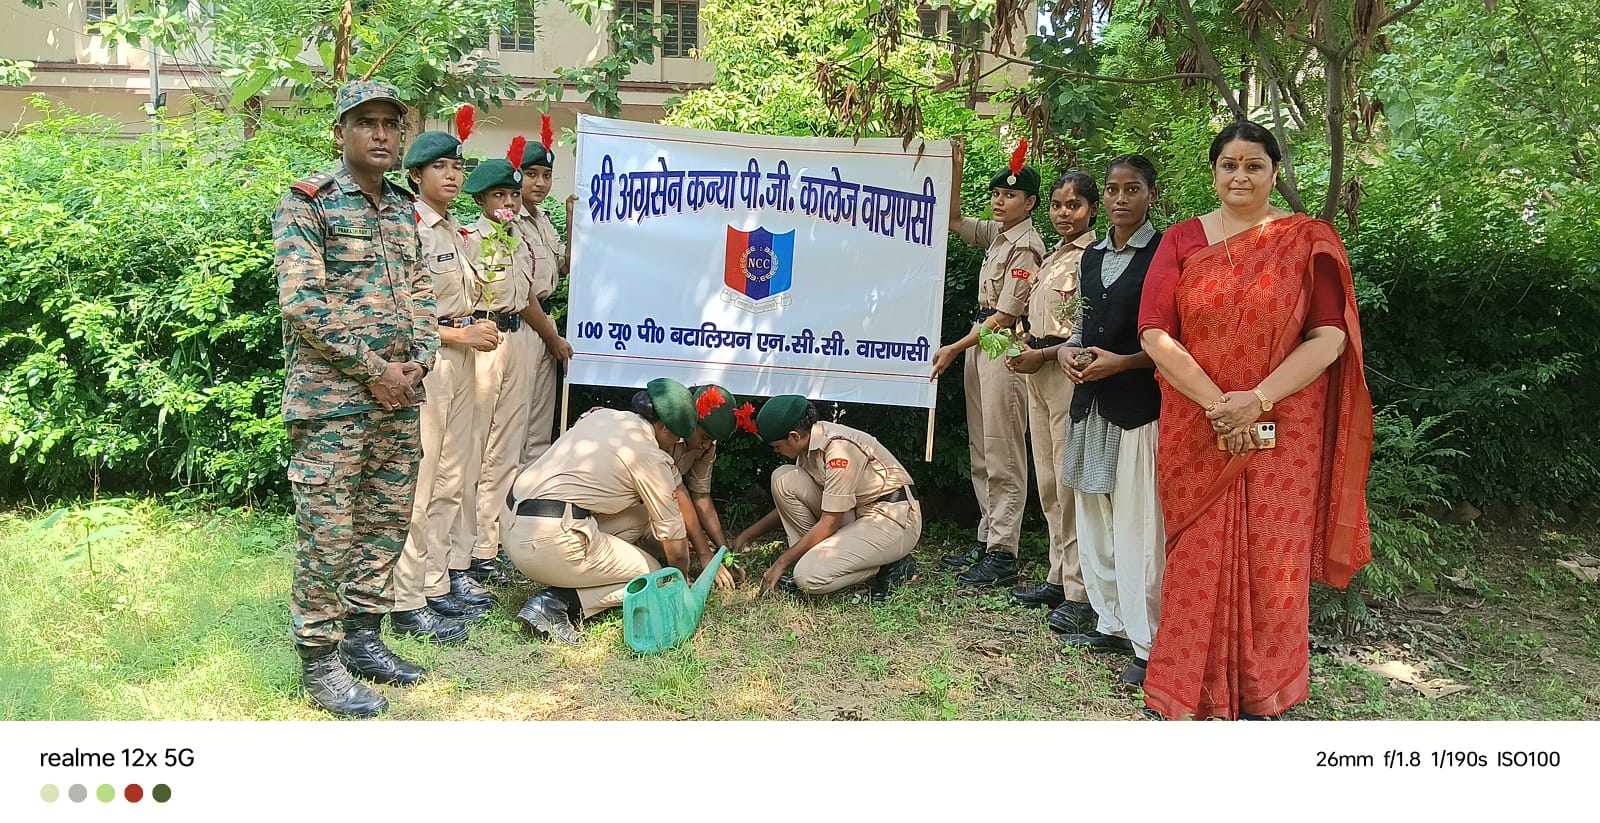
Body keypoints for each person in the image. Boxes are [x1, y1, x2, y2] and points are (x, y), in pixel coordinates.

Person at [1138, 121, 1372, 719]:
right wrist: (1220, 404)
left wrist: (1258, 399)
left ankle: (1263, 689)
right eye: (1229, 165)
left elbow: (1329, 338)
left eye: (1254, 165)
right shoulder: (1182, 240)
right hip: (1198, 423)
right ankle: (1189, 684)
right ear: (1213, 172)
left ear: (1274, 172)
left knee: (1273, 558)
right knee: (1197, 552)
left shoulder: (1306, 239)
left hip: (1283, 429)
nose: (1240, 176)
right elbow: (1155, 332)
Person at [273, 81, 436, 718]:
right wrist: (373, 370)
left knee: (385, 523)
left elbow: (420, 291)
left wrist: (419, 360)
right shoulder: (307, 203)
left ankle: (363, 638)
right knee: (328, 534)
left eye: (390, 124)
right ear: (340, 132)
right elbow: (303, 304)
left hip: (398, 400)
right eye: (366, 122)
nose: (381, 134)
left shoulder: (401, 209)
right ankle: (319, 663)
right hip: (332, 405)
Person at [503, 378, 731, 644]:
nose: (675, 444)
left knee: (640, 516)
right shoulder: (649, 455)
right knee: (654, 575)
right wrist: (678, 583)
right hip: (548, 539)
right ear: (665, 428)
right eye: (676, 437)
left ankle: (581, 571)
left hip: (512, 526)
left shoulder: (606, 417)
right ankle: (554, 603)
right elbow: (676, 547)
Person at [1053, 156, 1167, 687]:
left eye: (1133, 189)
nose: (1122, 199)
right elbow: (1082, 322)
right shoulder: (1093, 255)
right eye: (1115, 189)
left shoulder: (1163, 253)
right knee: (1093, 515)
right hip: (1090, 404)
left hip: (1135, 405)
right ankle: (1111, 622)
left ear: (1151, 195)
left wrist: (1121, 363)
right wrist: (1067, 352)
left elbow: (1171, 339)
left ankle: (1148, 643)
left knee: (1137, 525)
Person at [386, 130, 502, 646]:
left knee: (454, 477)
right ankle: (406, 598)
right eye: (440, 167)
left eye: (457, 167)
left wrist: (469, 332)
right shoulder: (410, 228)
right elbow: (397, 312)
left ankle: (435, 583)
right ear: (415, 175)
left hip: (462, 358)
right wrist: (458, 335)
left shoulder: (453, 229)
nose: (453, 175)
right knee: (424, 478)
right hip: (430, 359)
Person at [930, 139, 1042, 589]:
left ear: (1029, 203)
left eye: (1009, 195)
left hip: (1003, 347)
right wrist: (956, 169)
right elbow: (953, 220)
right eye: (996, 194)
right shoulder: (998, 235)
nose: (999, 201)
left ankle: (1003, 552)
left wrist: (955, 347)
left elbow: (1007, 315)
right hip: (981, 344)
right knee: (982, 449)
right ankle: (987, 536)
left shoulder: (1027, 247)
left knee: (1003, 452)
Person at [1002, 171, 1099, 635]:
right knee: (1046, 480)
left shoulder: (1093, 257)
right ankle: (1057, 577)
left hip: (1066, 372)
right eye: (1058, 205)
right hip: (1036, 370)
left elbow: (1086, 327)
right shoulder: (1054, 255)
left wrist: (1041, 353)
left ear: (1092, 210)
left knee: (1067, 481)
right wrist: (1023, 343)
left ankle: (1080, 592)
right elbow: (1035, 315)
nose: (1064, 213)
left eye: (1074, 205)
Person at [732, 396, 920, 603]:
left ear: (794, 436)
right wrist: (746, 536)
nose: (776, 451)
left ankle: (890, 563)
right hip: (856, 512)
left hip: (891, 517)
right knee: (783, 478)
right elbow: (790, 505)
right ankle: (827, 558)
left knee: (807, 578)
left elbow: (830, 522)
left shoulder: (839, 450)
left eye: (777, 446)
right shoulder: (808, 445)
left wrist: (781, 563)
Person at [459, 153, 537, 611]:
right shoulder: (470, 239)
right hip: (483, 338)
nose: (508, 202)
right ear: (482, 200)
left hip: (516, 337)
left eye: (512, 194)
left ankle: (488, 546)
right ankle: (465, 549)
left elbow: (526, 295)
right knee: (476, 446)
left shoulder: (517, 237)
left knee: (508, 447)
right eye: (498, 195)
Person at [594, 384, 750, 565]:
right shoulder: (660, 433)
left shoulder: (706, 446)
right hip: (628, 509)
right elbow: (678, 495)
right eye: (705, 438)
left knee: (675, 538)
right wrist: (704, 553)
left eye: (712, 440)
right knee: (668, 542)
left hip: (658, 509)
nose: (707, 446)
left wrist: (724, 551)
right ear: (690, 421)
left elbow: (700, 496)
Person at [512, 120, 574, 469]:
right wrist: (553, 338)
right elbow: (522, 293)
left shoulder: (542, 219)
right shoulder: (510, 220)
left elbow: (566, 267)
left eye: (546, 175)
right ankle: (504, 495)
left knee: (538, 425)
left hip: (544, 321)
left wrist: (571, 218)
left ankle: (528, 493)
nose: (540, 183)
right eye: (531, 174)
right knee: (515, 421)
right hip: (523, 325)